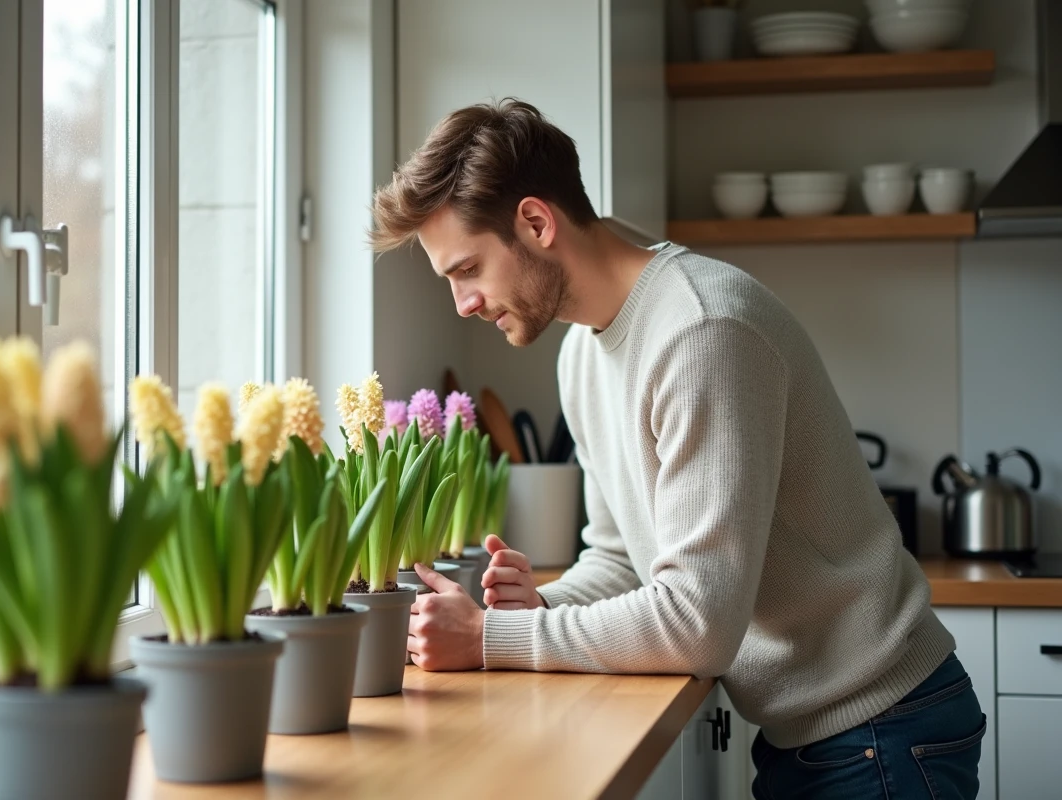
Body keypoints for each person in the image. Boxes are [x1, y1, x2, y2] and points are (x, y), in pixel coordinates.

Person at [367, 98, 985, 800]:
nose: (462, 303)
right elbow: (621, 557)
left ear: (536, 224)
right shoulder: (581, 354)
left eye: (467, 269)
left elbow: (697, 623)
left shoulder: (701, 330)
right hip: (813, 739)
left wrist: (487, 640)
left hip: (883, 736)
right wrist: (537, 607)